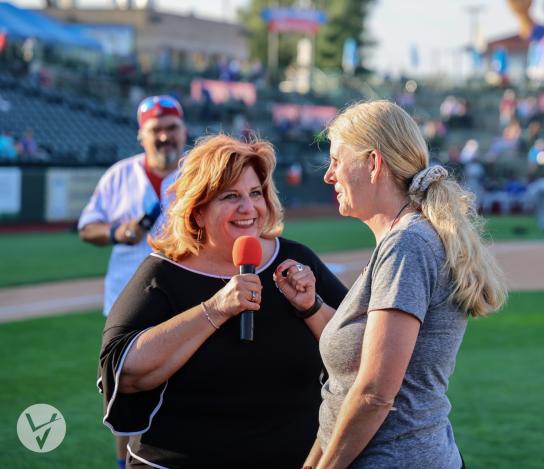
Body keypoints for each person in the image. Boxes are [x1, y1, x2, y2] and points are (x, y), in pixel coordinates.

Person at [98, 134, 347, 468]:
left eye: (255, 193)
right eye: (230, 196)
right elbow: (126, 371)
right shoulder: (162, 273)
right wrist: (214, 309)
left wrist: (312, 307)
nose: (248, 208)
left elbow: (358, 348)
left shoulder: (296, 260)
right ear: (197, 211)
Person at [304, 100, 507, 469]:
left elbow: (375, 394)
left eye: (336, 160)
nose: (328, 175)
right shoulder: (402, 241)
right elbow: (350, 383)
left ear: (373, 163)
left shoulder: (407, 245)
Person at [78, 95, 187, 469]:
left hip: (184, 296)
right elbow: (86, 227)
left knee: (187, 387)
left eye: (171, 128)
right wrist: (115, 232)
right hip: (126, 299)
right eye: (155, 130)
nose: (164, 137)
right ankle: (125, 463)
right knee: (124, 386)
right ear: (141, 135)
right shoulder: (120, 174)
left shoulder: (198, 172)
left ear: (183, 131)